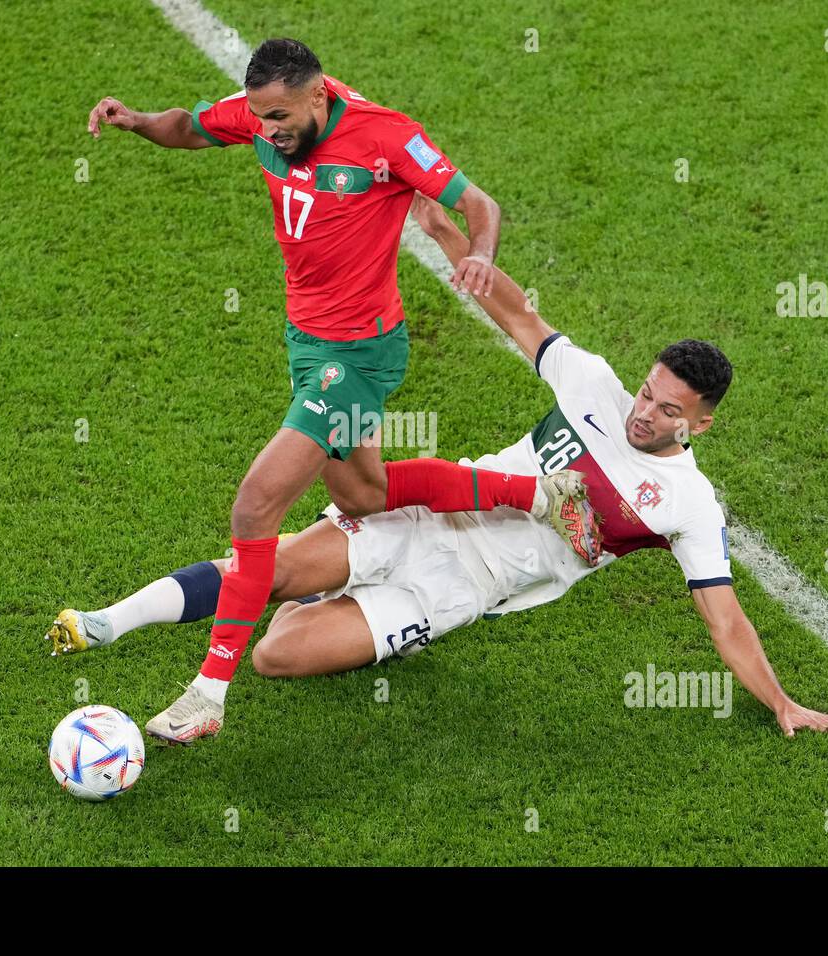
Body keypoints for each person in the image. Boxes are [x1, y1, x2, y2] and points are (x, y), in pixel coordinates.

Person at [46, 194, 828, 743]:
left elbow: (724, 619)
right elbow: (514, 310)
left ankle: (355, 612)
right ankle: (113, 619)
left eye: (666, 412)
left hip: (461, 590)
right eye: (647, 392)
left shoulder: (688, 504)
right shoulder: (592, 384)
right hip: (431, 513)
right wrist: (444, 233)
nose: (643, 413)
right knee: (275, 571)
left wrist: (786, 705)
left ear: (702, 424)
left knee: (276, 654)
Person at [83, 39, 596, 742]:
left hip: (358, 358)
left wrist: (480, 254)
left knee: (257, 503)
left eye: (281, 117)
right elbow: (191, 127)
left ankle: (208, 694)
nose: (269, 131)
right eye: (261, 118)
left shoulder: (386, 137)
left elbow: (479, 201)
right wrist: (136, 120)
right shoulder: (265, 115)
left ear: (318, 96)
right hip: (307, 344)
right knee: (365, 496)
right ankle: (541, 494)